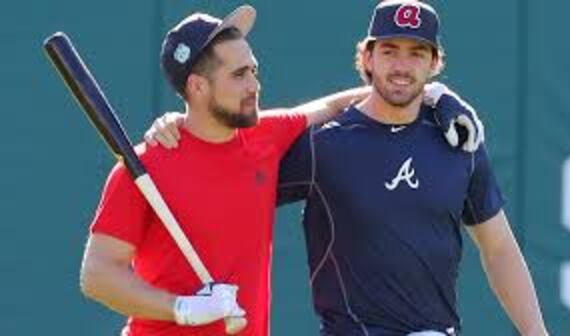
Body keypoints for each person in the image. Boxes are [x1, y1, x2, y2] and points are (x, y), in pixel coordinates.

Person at [120, 3, 484, 336]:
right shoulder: (147, 163)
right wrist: (182, 309)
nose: (254, 84)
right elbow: (97, 276)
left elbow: (340, 103)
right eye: (239, 75)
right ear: (198, 87)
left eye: (253, 70)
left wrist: (436, 96)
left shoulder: (267, 136)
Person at [275, 1, 548, 335]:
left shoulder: (459, 141)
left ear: (434, 63)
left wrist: (537, 332)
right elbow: (241, 188)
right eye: (389, 51)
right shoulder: (324, 145)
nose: (402, 66)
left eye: (417, 53)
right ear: (367, 58)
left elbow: (499, 248)